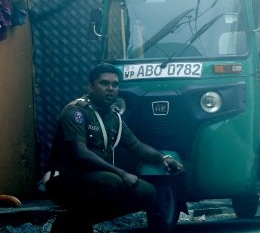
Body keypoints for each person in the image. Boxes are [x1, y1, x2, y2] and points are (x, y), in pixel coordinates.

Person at [45, 62, 183, 233]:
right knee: (114, 182)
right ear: (91, 87)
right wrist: (122, 173)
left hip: (96, 178)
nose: (110, 88)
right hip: (63, 179)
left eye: (115, 85)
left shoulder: (113, 116)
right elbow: (80, 154)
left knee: (147, 193)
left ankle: (77, 221)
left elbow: (137, 146)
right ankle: (68, 222)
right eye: (104, 83)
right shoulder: (76, 112)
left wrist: (163, 158)